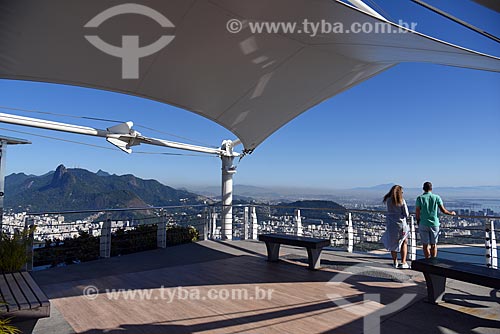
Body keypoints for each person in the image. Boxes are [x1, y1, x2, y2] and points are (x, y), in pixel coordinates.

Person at [416, 182, 456, 258]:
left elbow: (417, 211)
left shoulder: (420, 198)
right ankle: (433, 261)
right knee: (433, 244)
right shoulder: (436, 197)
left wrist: (418, 221)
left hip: (423, 223)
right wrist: (451, 213)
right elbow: (443, 210)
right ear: (431, 188)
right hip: (434, 223)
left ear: (423, 188)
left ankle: (427, 260)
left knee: (425, 245)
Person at [381, 185, 410, 268]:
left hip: (391, 225)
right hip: (401, 225)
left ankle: (395, 261)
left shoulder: (388, 200)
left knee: (393, 243)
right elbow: (406, 214)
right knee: (404, 241)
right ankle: (403, 262)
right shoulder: (401, 201)